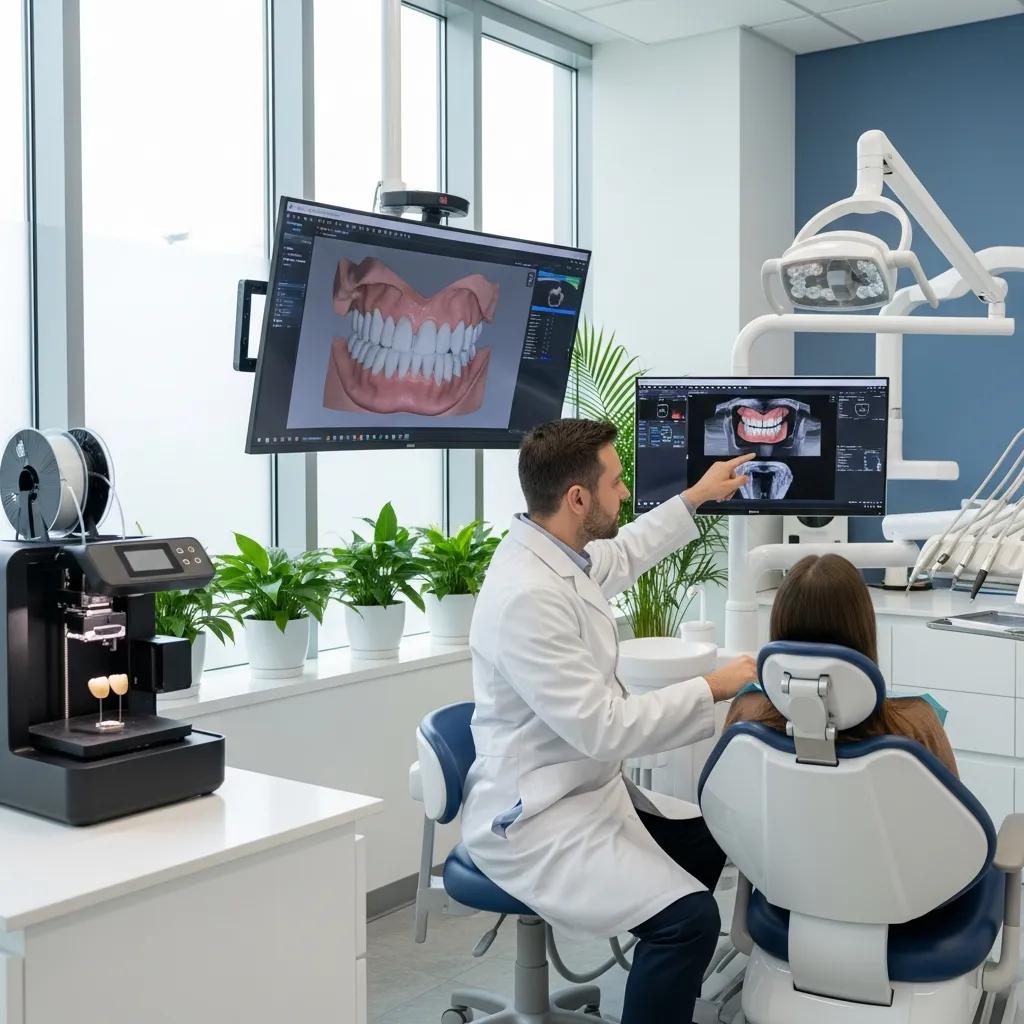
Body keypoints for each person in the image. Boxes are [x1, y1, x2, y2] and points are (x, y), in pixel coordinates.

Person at [462, 418, 758, 1024]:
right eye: (617, 481)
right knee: (688, 920)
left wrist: (697, 496)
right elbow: (605, 728)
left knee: (713, 841)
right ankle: (664, 972)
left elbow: (623, 553)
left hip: (585, 789)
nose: (625, 492)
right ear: (577, 498)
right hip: (539, 816)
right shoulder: (527, 596)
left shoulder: (553, 553)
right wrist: (714, 686)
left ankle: (664, 994)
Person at [725, 553, 957, 776]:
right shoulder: (915, 724)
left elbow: (724, 792)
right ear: (864, 631)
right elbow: (951, 804)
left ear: (778, 627)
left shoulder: (747, 712)